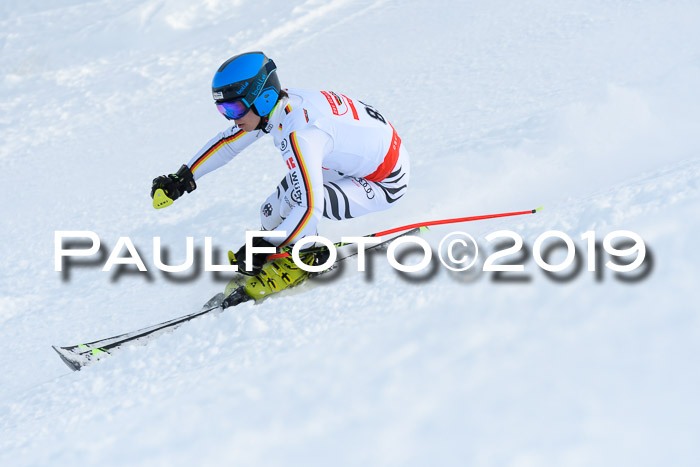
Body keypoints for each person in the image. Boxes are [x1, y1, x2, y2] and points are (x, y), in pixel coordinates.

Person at [151, 51, 410, 298]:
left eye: (234, 110)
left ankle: (302, 259)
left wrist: (264, 245)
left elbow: (311, 209)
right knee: (269, 211)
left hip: (383, 182)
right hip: (350, 165)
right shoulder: (278, 107)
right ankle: (289, 252)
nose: (231, 119)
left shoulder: (302, 134)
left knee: (297, 199)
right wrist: (184, 177)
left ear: (262, 99)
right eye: (224, 110)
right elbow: (228, 144)